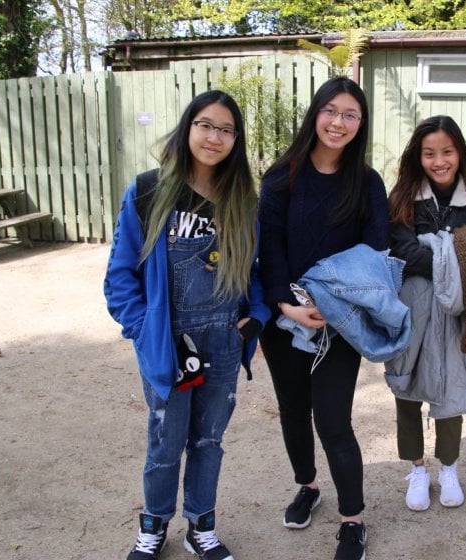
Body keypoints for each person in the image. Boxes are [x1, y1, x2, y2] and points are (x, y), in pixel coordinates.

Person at [104, 90, 270, 560]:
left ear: (235, 140)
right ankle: (153, 526)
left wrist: (253, 321)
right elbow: (120, 278)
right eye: (205, 124)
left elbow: (256, 274)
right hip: (168, 342)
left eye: (226, 129)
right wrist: (145, 330)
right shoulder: (148, 191)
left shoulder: (243, 201)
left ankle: (202, 527)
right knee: (165, 442)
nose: (214, 136)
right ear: (187, 127)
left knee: (209, 441)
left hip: (222, 340)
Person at [257, 76, 389, 560]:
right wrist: (286, 304)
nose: (339, 122)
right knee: (293, 411)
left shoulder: (367, 182)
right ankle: (308, 487)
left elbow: (375, 253)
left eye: (350, 114)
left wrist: (335, 309)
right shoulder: (282, 176)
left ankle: (352, 519)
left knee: (333, 420)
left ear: (360, 124)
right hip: (285, 320)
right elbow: (268, 248)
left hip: (341, 324)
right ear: (316, 114)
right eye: (331, 111)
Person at [386, 115, 466, 511]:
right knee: (406, 387)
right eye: (429, 153)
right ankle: (417, 469)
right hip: (411, 313)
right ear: (418, 157)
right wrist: (452, 250)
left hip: (458, 317)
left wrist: (432, 250)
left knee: (453, 388)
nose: (439, 161)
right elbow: (401, 253)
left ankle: (449, 467)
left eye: (447, 152)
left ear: (460, 154)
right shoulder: (400, 201)